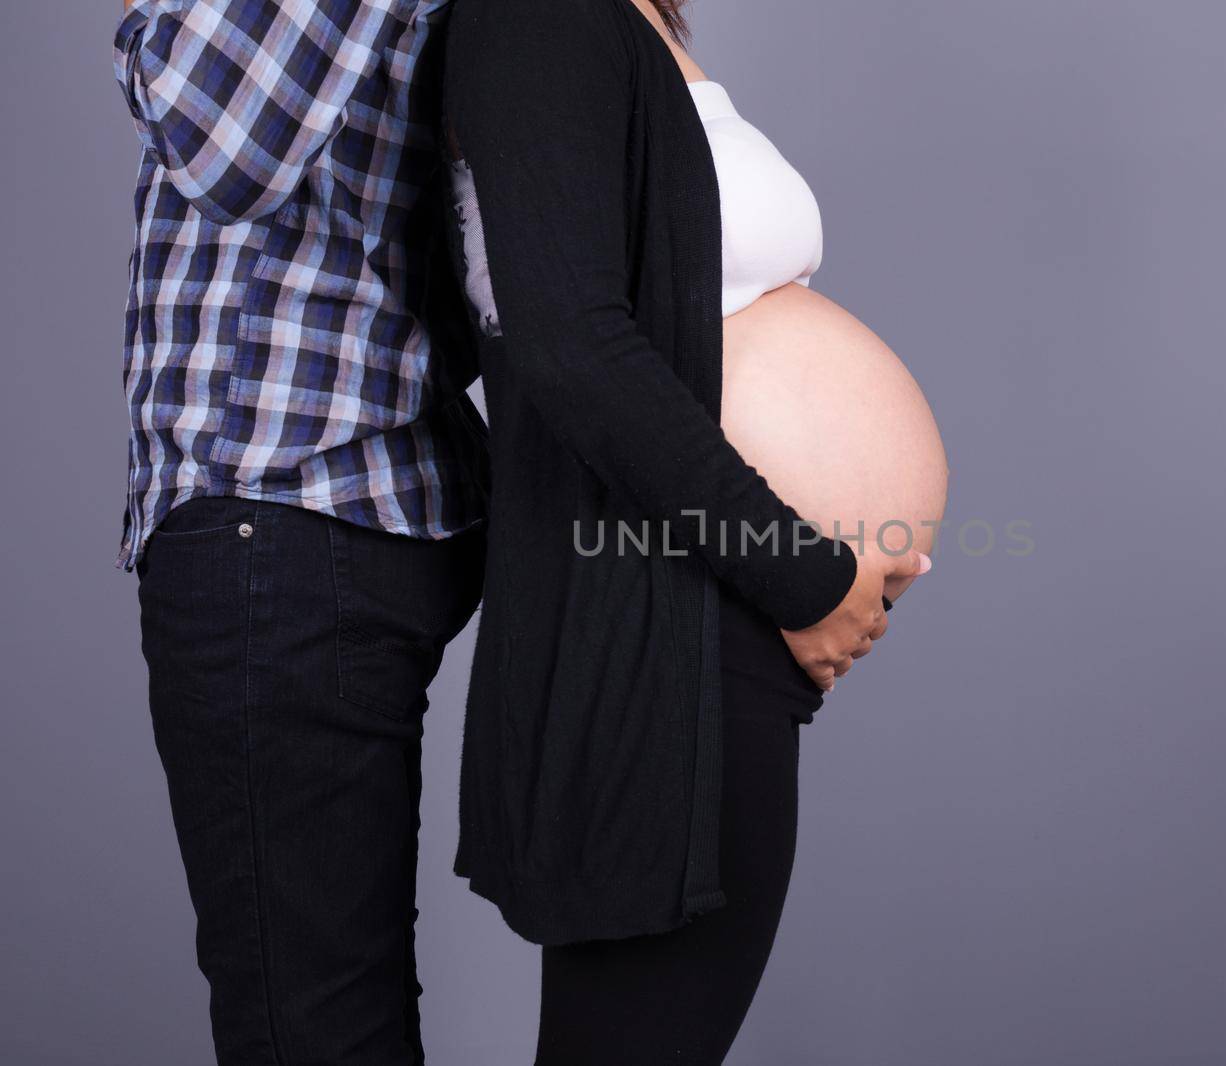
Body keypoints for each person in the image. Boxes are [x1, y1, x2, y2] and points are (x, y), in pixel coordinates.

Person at [442, 0, 948, 1061]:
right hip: (667, 623)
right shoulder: (538, 16)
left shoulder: (635, 25)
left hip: (714, 617)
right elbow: (571, 345)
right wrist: (805, 579)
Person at [113, 1, 489, 1061]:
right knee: (332, 1014)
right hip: (336, 507)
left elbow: (223, 142)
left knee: (310, 1028)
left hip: (286, 499)